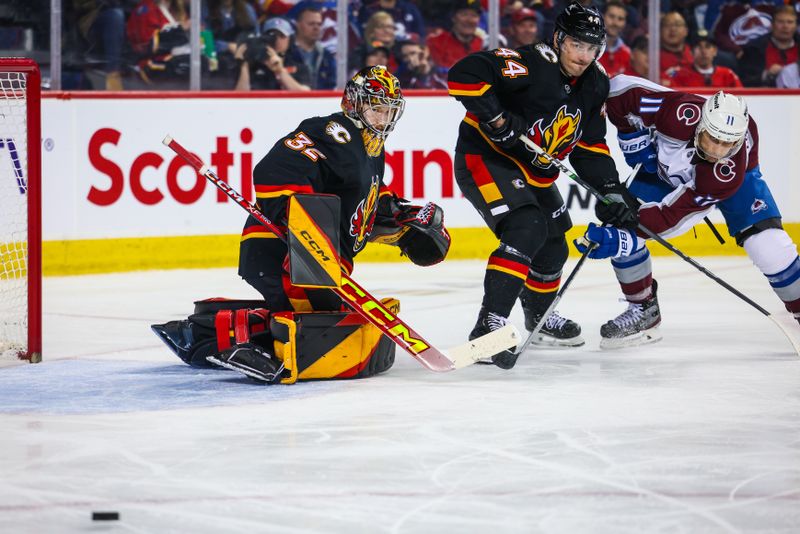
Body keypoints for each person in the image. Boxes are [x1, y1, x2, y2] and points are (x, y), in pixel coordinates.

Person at [152, 66, 451, 383]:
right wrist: (300, 221)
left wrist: (402, 222)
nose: (383, 119)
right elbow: (276, 169)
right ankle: (206, 335)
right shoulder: (333, 131)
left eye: (389, 111)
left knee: (328, 325)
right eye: (376, 108)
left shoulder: (372, 152)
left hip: (317, 262)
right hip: (283, 252)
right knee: (321, 330)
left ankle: (212, 327)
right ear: (352, 103)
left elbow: (363, 208)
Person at [447, 2, 637, 368]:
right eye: (577, 45)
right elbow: (462, 75)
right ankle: (489, 327)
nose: (584, 56)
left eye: (592, 47)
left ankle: (538, 315)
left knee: (553, 247)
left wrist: (611, 189)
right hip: (486, 158)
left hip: (536, 172)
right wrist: (497, 117)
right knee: (527, 227)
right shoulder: (530, 63)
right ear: (559, 39)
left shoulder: (596, 83)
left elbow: (590, 147)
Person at [575, 77, 800, 348]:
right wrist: (631, 136)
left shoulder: (725, 170)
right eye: (712, 139)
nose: (716, 151)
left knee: (769, 247)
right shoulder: (680, 112)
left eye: (726, 144)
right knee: (620, 216)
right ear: (701, 124)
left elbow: (673, 217)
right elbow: (620, 89)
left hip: (735, 182)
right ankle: (643, 309)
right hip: (663, 169)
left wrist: (625, 237)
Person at [234, 17, 311, 91]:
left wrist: (280, 71)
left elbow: (305, 96)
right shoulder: (253, 66)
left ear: (290, 40)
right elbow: (238, 99)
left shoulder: (299, 67)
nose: (277, 40)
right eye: (272, 36)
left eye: (282, 36)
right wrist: (244, 66)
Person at [739, 5, 798, 87]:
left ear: (796, 26)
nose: (785, 26)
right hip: (764, 97)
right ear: (772, 25)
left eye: (790, 22)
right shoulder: (753, 49)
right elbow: (743, 81)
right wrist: (766, 75)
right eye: (780, 22)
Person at [666, 33, 743, 88]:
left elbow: (742, 99)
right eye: (699, 47)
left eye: (708, 47)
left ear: (715, 51)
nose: (703, 51)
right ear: (691, 52)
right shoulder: (678, 73)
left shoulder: (728, 74)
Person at [287, 5, 336, 89]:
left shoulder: (326, 56)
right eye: (311, 24)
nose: (316, 28)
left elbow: (332, 85)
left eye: (319, 24)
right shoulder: (287, 52)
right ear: (298, 25)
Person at [427, 0, 485, 70]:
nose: (469, 20)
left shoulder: (483, 45)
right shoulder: (436, 42)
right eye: (464, 14)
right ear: (453, 18)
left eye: (474, 15)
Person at [598, 0, 629, 77]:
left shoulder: (627, 54)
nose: (615, 23)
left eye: (620, 19)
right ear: (602, 17)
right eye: (611, 16)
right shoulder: (589, 48)